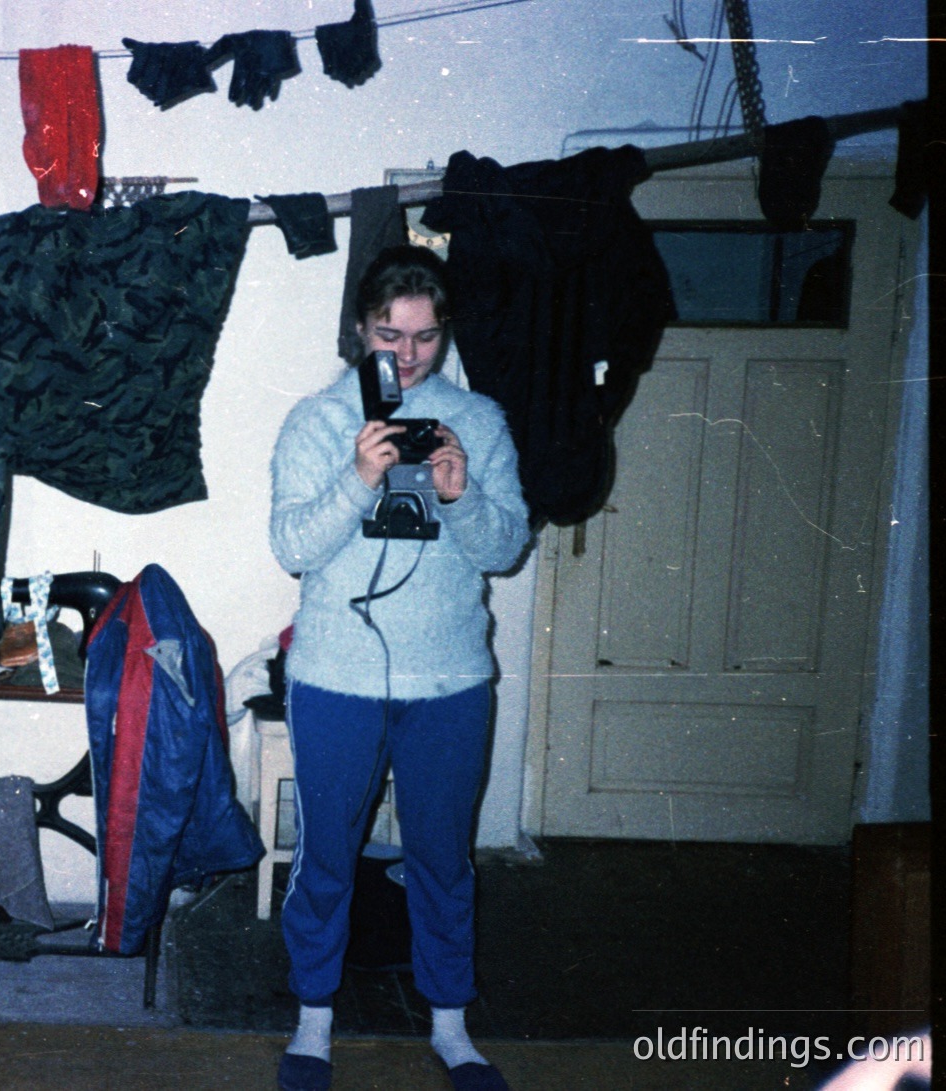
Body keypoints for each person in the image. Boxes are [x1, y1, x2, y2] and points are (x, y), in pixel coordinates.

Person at [268, 245, 531, 1091]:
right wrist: (356, 475)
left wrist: (459, 493)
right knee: (325, 856)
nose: (408, 356)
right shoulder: (315, 420)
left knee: (443, 857)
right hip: (335, 677)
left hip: (448, 680)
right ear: (358, 328)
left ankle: (451, 1027)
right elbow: (290, 546)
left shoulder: (477, 420)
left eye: (424, 337)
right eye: (389, 335)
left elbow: (503, 548)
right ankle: (313, 1021)